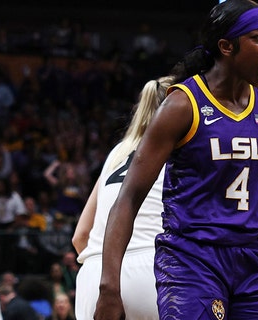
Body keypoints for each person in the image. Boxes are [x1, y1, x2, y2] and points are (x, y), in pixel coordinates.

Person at [94, 1, 258, 319]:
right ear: (226, 46)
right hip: (190, 260)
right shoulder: (182, 105)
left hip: (250, 261)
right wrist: (109, 288)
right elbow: (129, 197)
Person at [73, 76, 174, 320]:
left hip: (93, 275)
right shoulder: (179, 150)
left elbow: (80, 237)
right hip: (152, 267)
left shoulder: (117, 153)